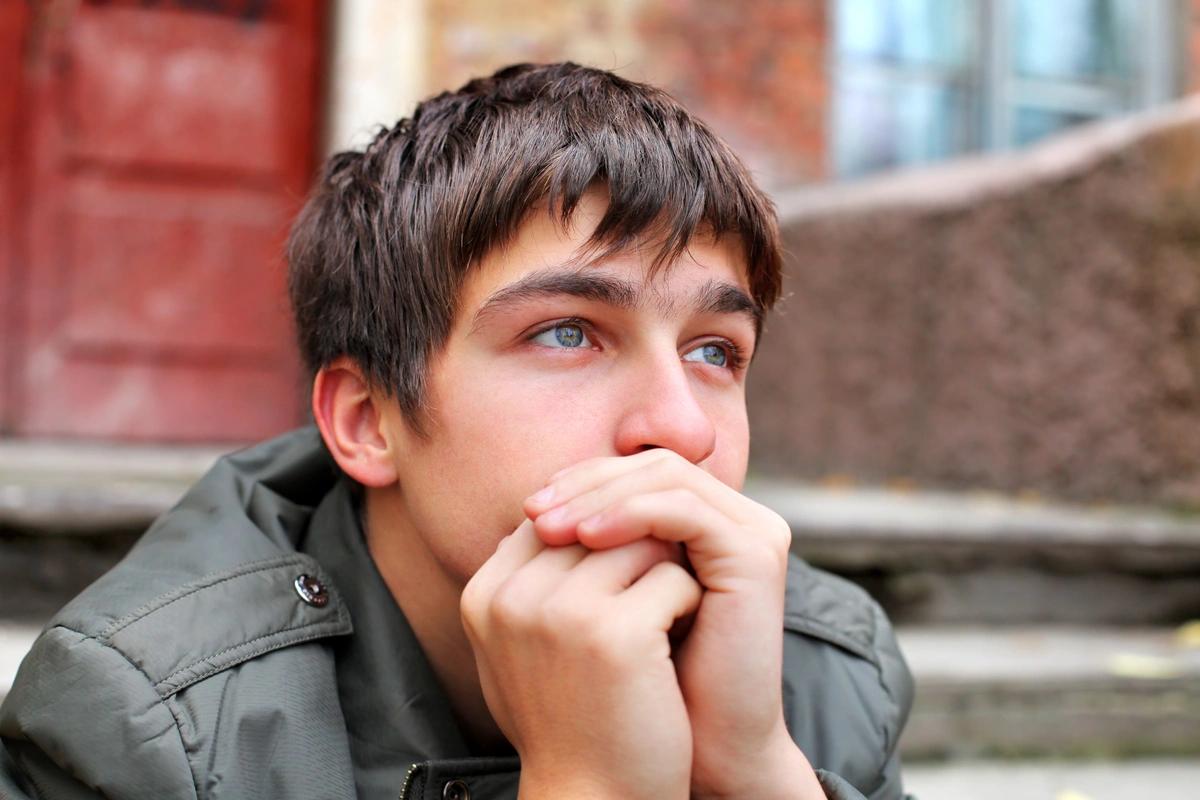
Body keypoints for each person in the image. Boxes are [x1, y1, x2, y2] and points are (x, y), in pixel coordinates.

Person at [0, 63, 913, 800]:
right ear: (368, 423)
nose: (680, 427)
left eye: (716, 351)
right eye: (567, 333)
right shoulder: (152, 726)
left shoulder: (819, 674)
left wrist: (754, 773)